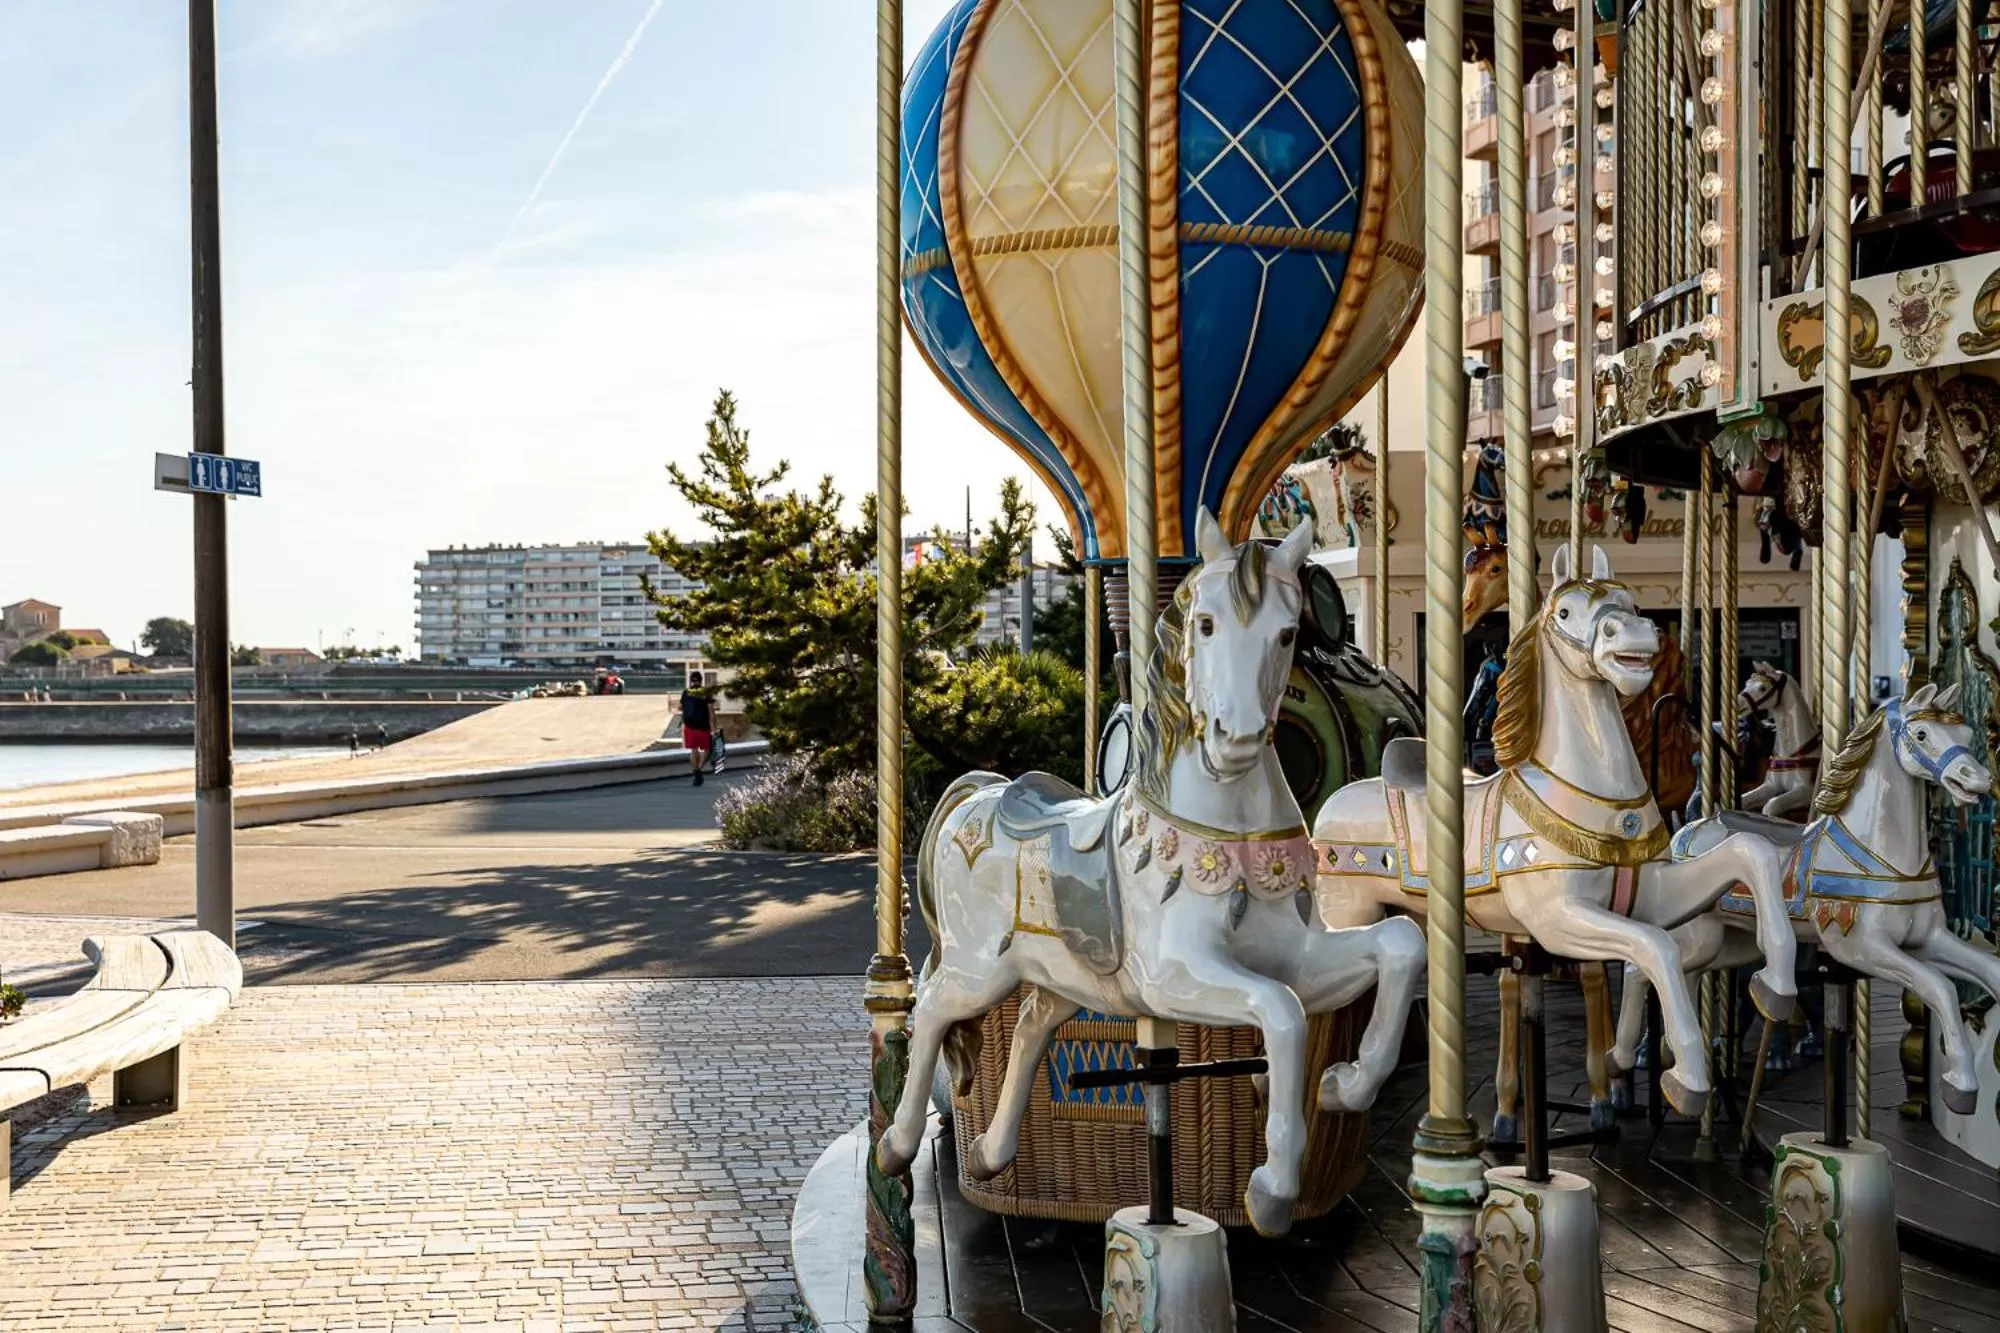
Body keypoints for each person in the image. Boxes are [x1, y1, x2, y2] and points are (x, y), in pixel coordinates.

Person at [679, 671, 714, 786]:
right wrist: (714, 728)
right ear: (701, 680)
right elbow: (711, 713)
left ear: (691, 680)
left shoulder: (686, 692)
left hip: (689, 726)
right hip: (703, 726)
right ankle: (698, 770)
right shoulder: (705, 693)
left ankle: (696, 772)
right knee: (707, 750)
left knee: (693, 750)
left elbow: (680, 707)